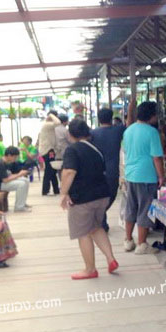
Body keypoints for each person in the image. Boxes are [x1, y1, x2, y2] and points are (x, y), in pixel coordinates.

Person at [60, 119, 118, 280]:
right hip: (102, 196)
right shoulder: (96, 149)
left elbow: (69, 172)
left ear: (70, 134)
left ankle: (90, 269)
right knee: (96, 227)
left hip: (83, 198)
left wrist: (63, 193)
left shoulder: (72, 150)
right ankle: (110, 258)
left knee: (83, 233)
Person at [123, 101, 165, 254]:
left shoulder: (129, 130)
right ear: (151, 115)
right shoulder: (151, 132)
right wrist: (161, 176)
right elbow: (156, 158)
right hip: (146, 176)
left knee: (131, 208)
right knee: (145, 209)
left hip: (131, 175)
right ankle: (142, 244)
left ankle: (128, 241)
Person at [90, 108, 126, 231]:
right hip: (112, 171)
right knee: (111, 195)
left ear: (98, 119)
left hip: (97, 171)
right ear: (111, 118)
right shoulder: (118, 130)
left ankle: (100, 220)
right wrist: (131, 108)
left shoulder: (92, 133)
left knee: (100, 196)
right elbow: (130, 122)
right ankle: (101, 220)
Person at [0, 146, 31, 213]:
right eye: (15, 157)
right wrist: (19, 174)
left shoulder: (6, 162)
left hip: (2, 182)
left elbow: (9, 175)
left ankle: (22, 203)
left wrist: (20, 175)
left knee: (25, 180)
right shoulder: (0, 164)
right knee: (21, 184)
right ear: (9, 155)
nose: (16, 159)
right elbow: (5, 180)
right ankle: (19, 207)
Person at [38, 110, 61, 195]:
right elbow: (58, 122)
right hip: (48, 150)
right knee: (49, 170)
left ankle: (55, 189)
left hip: (49, 150)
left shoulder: (47, 125)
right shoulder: (47, 125)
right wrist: (51, 115)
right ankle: (45, 190)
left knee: (52, 170)